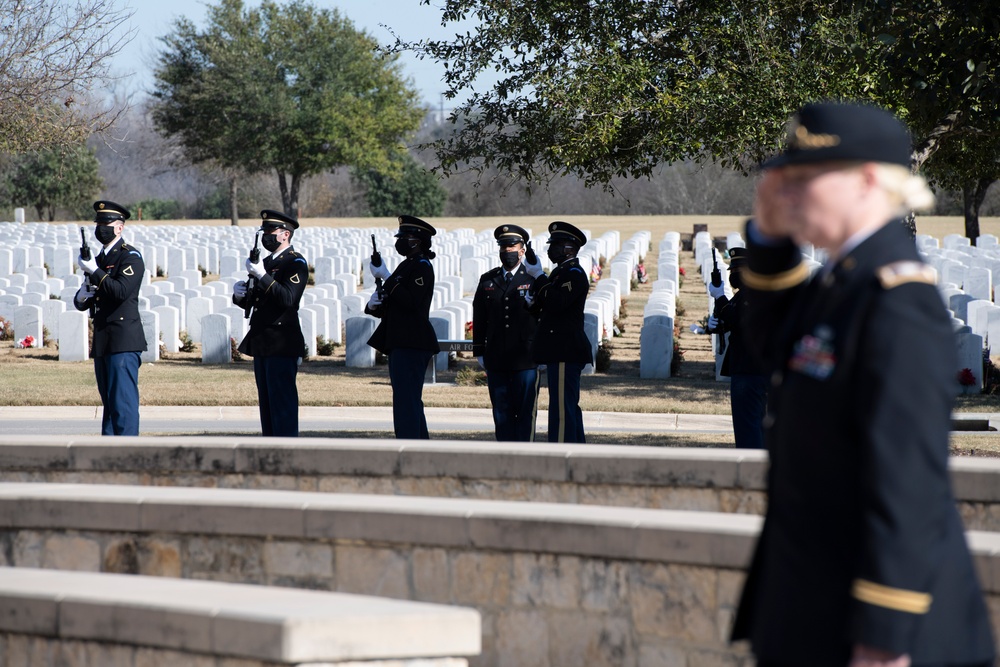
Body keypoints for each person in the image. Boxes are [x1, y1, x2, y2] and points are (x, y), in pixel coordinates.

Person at [730, 101, 995, 667]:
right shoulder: (843, 282)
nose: (790, 192)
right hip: (818, 603)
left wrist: (884, 633)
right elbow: (773, 340)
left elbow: (907, 479)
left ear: (869, 180)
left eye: (806, 179)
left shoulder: (897, 302)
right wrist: (769, 234)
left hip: (877, 634)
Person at [232, 209, 309, 437]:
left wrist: (262, 275)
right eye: (264, 230)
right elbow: (257, 300)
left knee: (281, 406)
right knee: (266, 406)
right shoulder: (265, 262)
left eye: (270, 230)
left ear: (285, 234)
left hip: (281, 342)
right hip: (262, 341)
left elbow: (287, 298)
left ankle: (286, 453)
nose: (266, 235)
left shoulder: (296, 263)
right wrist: (239, 296)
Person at [74, 200, 147, 436]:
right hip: (104, 339)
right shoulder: (100, 259)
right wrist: (82, 296)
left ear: (120, 228)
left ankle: (127, 457)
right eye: (99, 223)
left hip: (123, 340)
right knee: (109, 404)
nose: (101, 228)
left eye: (106, 223)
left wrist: (94, 271)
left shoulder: (130, 256)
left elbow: (120, 291)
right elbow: (87, 299)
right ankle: (108, 454)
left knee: (122, 404)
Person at [366, 215, 439, 439]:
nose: (400, 241)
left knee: (406, 403)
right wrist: (373, 305)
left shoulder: (422, 267)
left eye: (405, 237)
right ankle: (420, 448)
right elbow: (394, 302)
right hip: (401, 341)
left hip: (412, 342)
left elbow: (410, 303)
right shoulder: (406, 265)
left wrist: (387, 276)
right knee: (408, 401)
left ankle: (409, 448)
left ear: (417, 240)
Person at [523, 221, 592, 443]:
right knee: (567, 407)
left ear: (569, 248)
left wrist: (538, 275)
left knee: (562, 411)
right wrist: (532, 301)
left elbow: (556, 302)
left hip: (565, 351)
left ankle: (562, 455)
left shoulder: (573, 273)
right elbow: (547, 305)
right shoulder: (559, 273)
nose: (550, 249)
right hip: (558, 350)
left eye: (555, 245)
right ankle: (577, 454)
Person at [472, 224, 540, 441]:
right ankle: (504, 455)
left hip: (525, 358)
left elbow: (543, 316)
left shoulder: (534, 278)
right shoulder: (488, 279)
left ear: (523, 250)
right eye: (503, 247)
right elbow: (480, 317)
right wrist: (479, 351)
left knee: (525, 412)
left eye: (512, 246)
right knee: (501, 412)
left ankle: (524, 456)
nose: (507, 251)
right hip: (497, 357)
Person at [706, 247, 767, 449]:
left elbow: (739, 319)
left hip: (751, 371)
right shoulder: (744, 294)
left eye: (737, 271)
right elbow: (731, 321)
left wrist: (720, 297)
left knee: (748, 427)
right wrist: (716, 324)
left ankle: (751, 470)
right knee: (753, 425)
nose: (733, 275)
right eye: (732, 271)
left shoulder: (754, 294)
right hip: (750, 369)